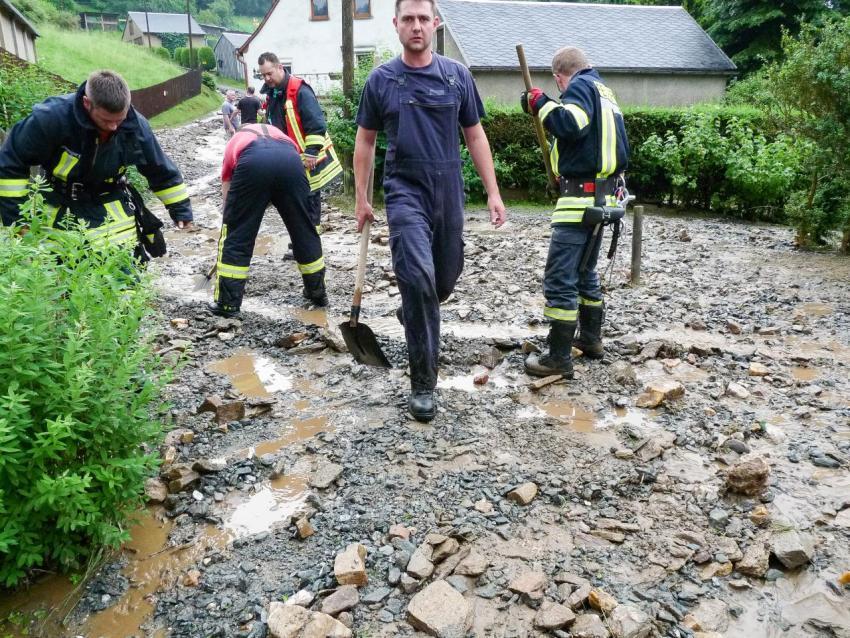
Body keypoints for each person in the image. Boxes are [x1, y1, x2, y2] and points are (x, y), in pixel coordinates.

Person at [353, 0, 506, 422]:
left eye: (423, 18)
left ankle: (412, 311)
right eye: (409, 19)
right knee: (417, 276)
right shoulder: (381, 80)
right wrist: (362, 198)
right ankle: (423, 383)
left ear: (435, 24)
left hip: (449, 190)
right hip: (404, 190)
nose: (416, 26)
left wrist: (493, 192)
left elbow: (475, 136)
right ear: (396, 25)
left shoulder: (457, 77)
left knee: (443, 278)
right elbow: (365, 141)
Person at [520, 47, 630, 378]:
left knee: (559, 279)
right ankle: (592, 339)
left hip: (580, 202)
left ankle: (557, 358)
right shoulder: (605, 92)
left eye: (557, 88)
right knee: (585, 273)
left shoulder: (580, 87)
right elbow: (589, 141)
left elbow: (569, 124)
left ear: (559, 77)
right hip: (604, 199)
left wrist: (540, 103)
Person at [0, 70, 193, 243]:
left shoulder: (135, 125)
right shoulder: (51, 119)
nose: (114, 127)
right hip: (58, 206)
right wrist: (17, 220)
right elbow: (10, 164)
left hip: (112, 206)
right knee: (60, 273)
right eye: (107, 120)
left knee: (124, 275)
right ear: (87, 103)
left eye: (120, 119)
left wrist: (180, 208)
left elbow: (157, 167)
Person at [208, 123, 327, 318]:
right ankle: (317, 293)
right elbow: (279, 177)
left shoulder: (235, 141)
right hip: (291, 161)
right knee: (304, 230)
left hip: (253, 161)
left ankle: (227, 304)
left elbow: (227, 186)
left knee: (238, 235)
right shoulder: (279, 134)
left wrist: (232, 219)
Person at [257, 52, 342, 236]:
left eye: (269, 73)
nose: (266, 78)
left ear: (280, 67)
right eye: (263, 75)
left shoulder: (300, 90)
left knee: (310, 199)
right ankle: (300, 241)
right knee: (295, 201)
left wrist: (311, 152)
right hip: (290, 157)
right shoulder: (273, 94)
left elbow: (316, 123)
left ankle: (310, 242)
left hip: (308, 157)